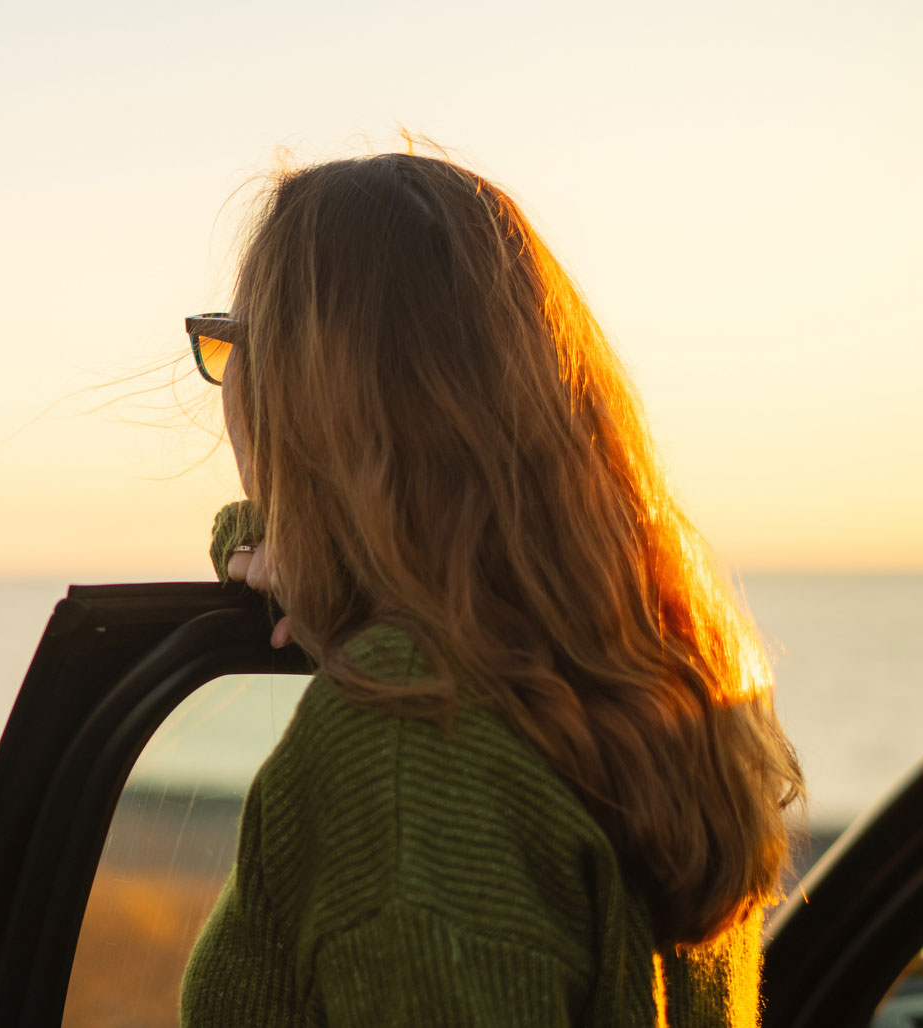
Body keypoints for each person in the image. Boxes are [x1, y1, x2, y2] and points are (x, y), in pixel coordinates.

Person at [175, 151, 803, 1026]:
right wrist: (303, 548)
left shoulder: (407, 743)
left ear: (312, 398)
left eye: (232, 345)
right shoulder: (658, 670)